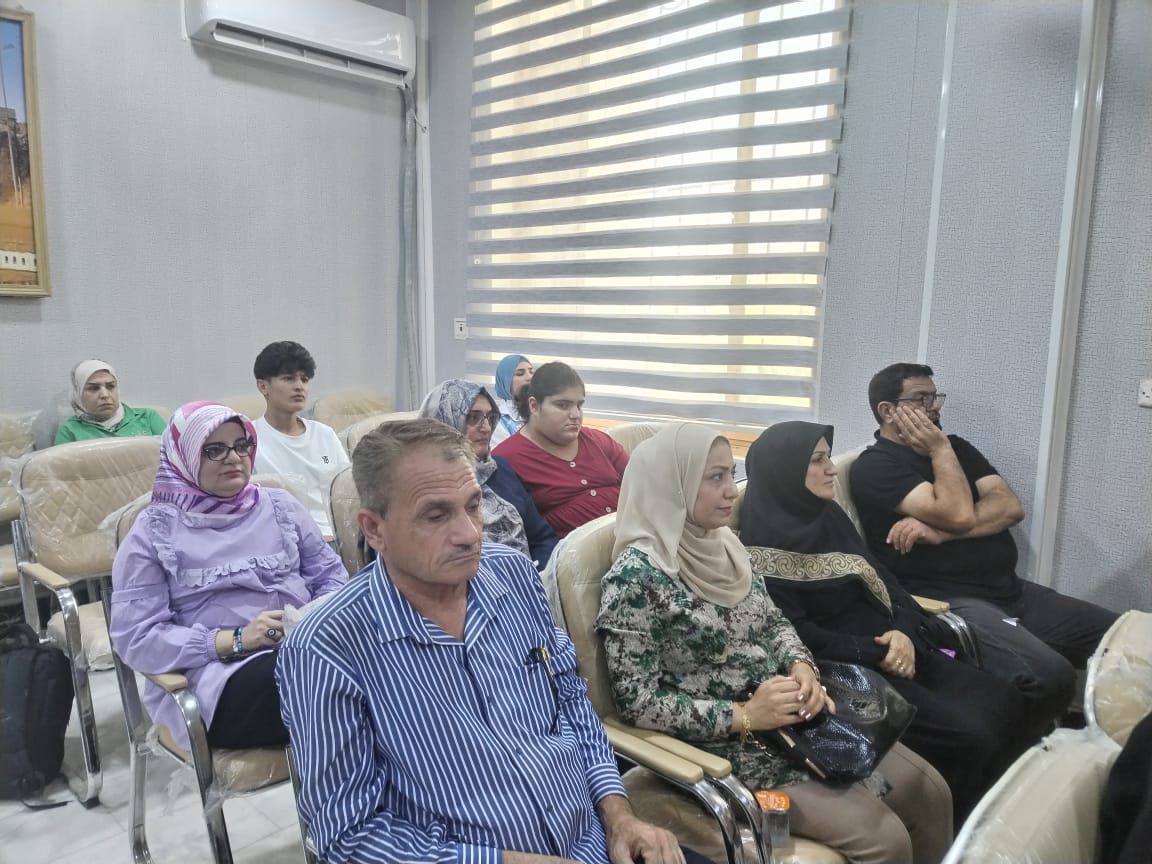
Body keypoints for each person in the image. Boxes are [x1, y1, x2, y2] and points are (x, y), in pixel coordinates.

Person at [277, 418, 697, 864]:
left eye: (473, 505)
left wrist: (620, 818)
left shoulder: (513, 575)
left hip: (592, 842)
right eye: (436, 515)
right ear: (374, 529)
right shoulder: (326, 647)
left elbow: (572, 704)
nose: (470, 534)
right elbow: (348, 837)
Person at [597, 422, 954, 864]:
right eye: (715, 478)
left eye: (731, 474)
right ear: (674, 486)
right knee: (886, 840)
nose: (731, 491)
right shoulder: (636, 579)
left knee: (930, 791)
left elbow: (774, 623)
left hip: (795, 721)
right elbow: (636, 701)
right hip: (728, 750)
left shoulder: (727, 546)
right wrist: (746, 715)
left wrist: (803, 668)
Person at [741, 421, 1059, 821]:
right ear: (785, 470)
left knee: (1006, 701)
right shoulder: (760, 547)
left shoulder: (828, 515)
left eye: (828, 458)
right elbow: (799, 634)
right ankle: (962, 830)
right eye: (818, 460)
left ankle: (1012, 819)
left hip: (898, 645)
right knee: (973, 735)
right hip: (852, 671)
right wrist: (881, 650)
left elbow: (885, 580)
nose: (832, 469)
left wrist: (904, 632)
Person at [849, 363, 1117, 677]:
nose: (934, 407)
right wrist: (939, 450)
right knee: (1052, 674)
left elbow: (1008, 507)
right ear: (887, 411)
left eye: (935, 397)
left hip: (1010, 591)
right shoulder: (876, 466)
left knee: (1126, 636)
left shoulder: (958, 448)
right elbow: (958, 514)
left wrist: (941, 532)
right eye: (921, 399)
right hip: (951, 601)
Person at [109, 402, 347, 750]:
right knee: (320, 678)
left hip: (307, 648)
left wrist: (313, 619)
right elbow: (136, 638)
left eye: (241, 445)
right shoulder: (154, 531)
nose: (234, 458)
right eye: (215, 449)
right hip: (220, 678)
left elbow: (332, 577)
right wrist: (235, 639)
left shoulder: (280, 505)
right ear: (184, 457)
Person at [418, 378, 557, 568]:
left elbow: (542, 538)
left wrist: (538, 575)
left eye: (490, 417)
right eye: (473, 417)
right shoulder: (423, 484)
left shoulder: (500, 469)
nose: (486, 428)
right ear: (444, 421)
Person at [493, 362, 628, 538]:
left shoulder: (597, 440)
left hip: (635, 538)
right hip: (571, 552)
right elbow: (517, 535)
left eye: (579, 405)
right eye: (563, 405)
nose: (575, 415)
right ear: (534, 406)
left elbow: (643, 485)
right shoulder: (506, 459)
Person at [251, 341, 350, 541]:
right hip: (287, 539)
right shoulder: (249, 438)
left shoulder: (325, 434)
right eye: (288, 378)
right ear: (263, 386)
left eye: (304, 380)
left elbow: (347, 492)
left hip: (340, 536)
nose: (299, 387)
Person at [54, 359, 166, 444]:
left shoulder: (147, 417)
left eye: (110, 386)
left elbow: (172, 457)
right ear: (78, 394)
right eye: (93, 388)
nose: (105, 395)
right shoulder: (69, 431)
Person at [491, 354, 534, 447]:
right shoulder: (497, 420)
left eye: (531, 372)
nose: (529, 377)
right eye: (520, 374)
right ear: (505, 381)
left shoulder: (541, 410)